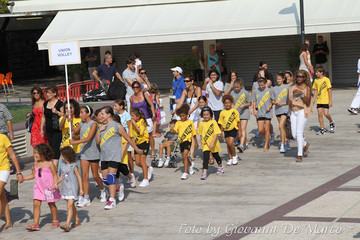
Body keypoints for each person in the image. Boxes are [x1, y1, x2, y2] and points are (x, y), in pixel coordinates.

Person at [95, 107, 142, 209]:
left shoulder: (117, 126)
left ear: (109, 115)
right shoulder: (101, 126)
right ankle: (118, 187)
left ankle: (112, 200)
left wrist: (136, 149)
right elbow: (97, 141)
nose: (101, 116)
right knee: (105, 179)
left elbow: (128, 138)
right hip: (104, 156)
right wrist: (99, 131)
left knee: (111, 177)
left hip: (114, 156)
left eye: (103, 114)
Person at [69, 106, 107, 207]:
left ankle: (103, 190)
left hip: (93, 153)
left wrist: (75, 142)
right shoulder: (81, 123)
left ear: (88, 114)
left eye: (82, 113)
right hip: (84, 153)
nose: (80, 115)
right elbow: (74, 132)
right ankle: (86, 197)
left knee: (95, 176)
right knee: (84, 176)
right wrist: (70, 121)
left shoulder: (93, 124)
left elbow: (89, 138)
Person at [23, 143, 61, 231]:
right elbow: (33, 175)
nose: (36, 155)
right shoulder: (36, 164)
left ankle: (55, 220)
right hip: (38, 187)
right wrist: (24, 178)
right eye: (35, 153)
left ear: (44, 153)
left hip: (49, 188)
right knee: (36, 204)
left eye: (38, 153)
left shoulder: (50, 164)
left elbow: (55, 175)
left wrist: (55, 184)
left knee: (51, 204)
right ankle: (36, 224)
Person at [53, 146, 83, 232]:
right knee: (71, 205)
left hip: (73, 188)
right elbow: (62, 177)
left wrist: (81, 189)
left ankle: (67, 224)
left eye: (62, 155)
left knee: (69, 205)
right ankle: (77, 220)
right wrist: (56, 183)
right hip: (66, 189)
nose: (61, 156)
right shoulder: (63, 166)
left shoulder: (74, 166)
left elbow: (79, 177)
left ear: (66, 156)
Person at [287, 70, 312, 162]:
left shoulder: (307, 88)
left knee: (299, 132)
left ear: (305, 78)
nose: (299, 78)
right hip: (293, 112)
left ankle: (299, 155)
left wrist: (301, 94)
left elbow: (308, 102)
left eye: (301, 76)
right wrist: (288, 102)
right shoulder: (291, 87)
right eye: (297, 76)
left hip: (302, 111)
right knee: (294, 135)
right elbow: (287, 100)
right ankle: (305, 144)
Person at [0, 133, 23, 231]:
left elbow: (12, 155)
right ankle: (9, 222)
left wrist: (18, 172)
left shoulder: (3, 138)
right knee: (2, 196)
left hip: (4, 169)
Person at [176, 75, 201, 160]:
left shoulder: (197, 89)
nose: (186, 83)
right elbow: (181, 101)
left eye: (187, 81)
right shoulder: (185, 90)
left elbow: (199, 102)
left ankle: (192, 154)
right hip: (189, 115)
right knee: (191, 134)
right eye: (185, 81)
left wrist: (191, 111)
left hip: (197, 114)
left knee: (194, 134)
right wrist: (176, 110)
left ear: (192, 81)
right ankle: (191, 152)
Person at [130, 81, 156, 158]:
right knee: (138, 135)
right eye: (134, 87)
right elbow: (131, 109)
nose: (136, 89)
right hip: (137, 120)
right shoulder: (131, 98)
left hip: (147, 118)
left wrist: (154, 114)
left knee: (149, 135)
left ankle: (153, 151)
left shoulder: (145, 94)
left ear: (140, 87)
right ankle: (138, 151)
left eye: (137, 87)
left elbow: (151, 105)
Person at [197, 107, 224, 180]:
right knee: (206, 158)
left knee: (216, 156)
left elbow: (216, 133)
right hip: (205, 143)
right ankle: (204, 173)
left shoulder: (213, 122)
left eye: (207, 115)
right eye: (204, 115)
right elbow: (201, 133)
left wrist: (212, 142)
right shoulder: (202, 123)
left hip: (213, 143)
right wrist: (202, 140)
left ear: (211, 114)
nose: (206, 116)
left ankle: (220, 166)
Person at [113, 99, 135, 187]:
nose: (114, 108)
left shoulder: (126, 115)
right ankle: (120, 174)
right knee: (119, 157)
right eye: (114, 106)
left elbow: (130, 127)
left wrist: (128, 138)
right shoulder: (115, 115)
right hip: (119, 137)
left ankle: (131, 173)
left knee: (128, 156)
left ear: (121, 106)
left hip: (126, 137)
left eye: (116, 106)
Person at [41, 86, 64, 168]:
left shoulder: (60, 103)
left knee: (55, 147)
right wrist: (41, 129)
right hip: (48, 129)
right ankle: (54, 164)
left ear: (55, 94)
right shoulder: (46, 103)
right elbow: (43, 116)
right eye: (47, 93)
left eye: (50, 93)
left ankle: (55, 166)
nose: (48, 94)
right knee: (51, 146)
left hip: (57, 129)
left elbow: (64, 115)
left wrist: (57, 112)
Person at [129, 108, 153, 187]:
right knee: (138, 162)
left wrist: (134, 124)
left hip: (144, 143)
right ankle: (148, 168)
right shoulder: (132, 123)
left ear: (138, 116)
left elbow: (140, 132)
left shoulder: (141, 121)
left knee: (142, 161)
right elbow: (131, 135)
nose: (131, 118)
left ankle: (146, 179)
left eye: (133, 116)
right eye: (131, 116)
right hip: (137, 144)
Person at [58, 99, 82, 175]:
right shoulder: (62, 118)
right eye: (66, 108)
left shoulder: (79, 119)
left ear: (75, 108)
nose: (69, 110)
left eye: (71, 108)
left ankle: (78, 186)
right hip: (65, 148)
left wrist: (71, 122)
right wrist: (65, 116)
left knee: (78, 172)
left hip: (76, 149)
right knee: (60, 172)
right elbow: (61, 126)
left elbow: (75, 133)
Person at [173, 104, 196, 180]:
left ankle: (185, 173)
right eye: (181, 116)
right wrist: (172, 130)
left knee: (185, 156)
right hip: (181, 141)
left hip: (188, 141)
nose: (182, 117)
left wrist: (196, 142)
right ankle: (190, 165)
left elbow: (194, 134)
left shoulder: (190, 122)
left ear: (186, 115)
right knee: (184, 156)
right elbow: (175, 131)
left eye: (183, 116)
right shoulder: (178, 122)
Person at [312, 66, 335, 135]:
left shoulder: (326, 79)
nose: (316, 74)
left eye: (317, 72)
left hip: (325, 100)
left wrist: (330, 101)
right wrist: (313, 99)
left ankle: (331, 122)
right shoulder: (316, 80)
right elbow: (316, 90)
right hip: (319, 100)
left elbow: (329, 90)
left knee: (326, 114)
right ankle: (322, 129)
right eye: (316, 72)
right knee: (319, 114)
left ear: (321, 72)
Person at [218, 95, 240, 166]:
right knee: (228, 144)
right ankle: (230, 158)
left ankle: (234, 156)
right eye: (226, 103)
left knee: (230, 143)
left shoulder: (235, 111)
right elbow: (221, 123)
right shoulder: (222, 112)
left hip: (233, 128)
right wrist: (221, 132)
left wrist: (239, 131)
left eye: (229, 102)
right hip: (226, 130)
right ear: (224, 104)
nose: (227, 104)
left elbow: (238, 122)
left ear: (231, 103)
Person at [252, 78, 273, 152]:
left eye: (262, 85)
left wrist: (270, 106)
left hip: (267, 112)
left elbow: (273, 101)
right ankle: (265, 139)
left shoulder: (269, 91)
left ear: (265, 84)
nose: (261, 87)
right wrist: (254, 109)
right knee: (261, 129)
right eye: (260, 85)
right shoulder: (256, 91)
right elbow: (254, 101)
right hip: (260, 112)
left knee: (267, 129)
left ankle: (266, 144)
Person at [271, 73, 290, 153]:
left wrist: (282, 103)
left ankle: (282, 144)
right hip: (277, 110)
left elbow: (290, 100)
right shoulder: (274, 89)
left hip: (285, 109)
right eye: (277, 79)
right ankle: (286, 142)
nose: (278, 80)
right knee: (282, 128)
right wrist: (275, 103)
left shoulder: (287, 87)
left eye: (280, 79)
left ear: (283, 79)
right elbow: (272, 100)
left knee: (280, 126)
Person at [231, 78, 251, 152]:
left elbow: (250, 103)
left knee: (243, 128)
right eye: (235, 87)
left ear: (241, 86)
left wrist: (244, 105)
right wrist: (232, 105)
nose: (236, 89)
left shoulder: (245, 93)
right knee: (239, 130)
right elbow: (230, 102)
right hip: (236, 114)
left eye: (238, 87)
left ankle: (241, 145)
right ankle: (245, 142)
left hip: (244, 112)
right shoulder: (232, 93)